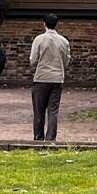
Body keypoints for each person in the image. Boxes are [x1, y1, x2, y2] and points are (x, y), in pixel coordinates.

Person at [30, 13, 71, 141]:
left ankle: (38, 137)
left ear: (44, 24)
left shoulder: (39, 39)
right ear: (56, 24)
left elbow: (33, 60)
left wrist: (36, 67)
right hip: (57, 78)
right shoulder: (64, 41)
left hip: (41, 77)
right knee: (53, 110)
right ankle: (51, 138)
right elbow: (66, 60)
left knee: (39, 110)